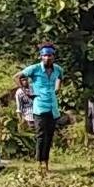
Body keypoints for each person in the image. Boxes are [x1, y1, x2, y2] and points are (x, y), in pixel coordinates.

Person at [19, 44, 63, 172]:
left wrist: (57, 88)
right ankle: (39, 163)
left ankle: (46, 163)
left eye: (50, 55)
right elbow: (17, 76)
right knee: (41, 136)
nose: (47, 58)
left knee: (49, 136)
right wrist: (26, 92)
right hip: (39, 107)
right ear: (41, 56)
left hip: (53, 107)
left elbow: (60, 78)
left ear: (53, 56)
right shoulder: (35, 69)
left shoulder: (58, 69)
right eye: (45, 55)